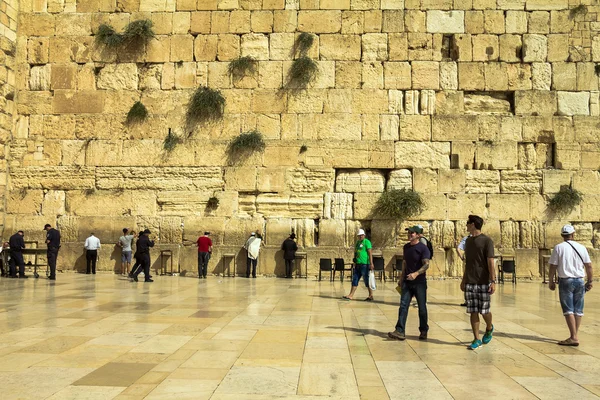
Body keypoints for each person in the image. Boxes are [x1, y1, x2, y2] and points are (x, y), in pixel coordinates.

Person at [548, 224, 593, 346]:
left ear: (562, 235)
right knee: (578, 310)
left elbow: (553, 265)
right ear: (573, 234)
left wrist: (550, 280)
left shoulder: (558, 248)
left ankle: (573, 336)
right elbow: (588, 266)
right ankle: (574, 335)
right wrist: (590, 281)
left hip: (566, 281)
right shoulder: (582, 247)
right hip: (579, 280)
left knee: (568, 310)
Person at [388, 226, 430, 341]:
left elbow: (426, 264)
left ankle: (423, 330)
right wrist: (401, 278)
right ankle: (400, 331)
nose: (410, 234)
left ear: (418, 235)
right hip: (407, 281)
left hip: (419, 282)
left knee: (422, 307)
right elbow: (405, 263)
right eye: (409, 232)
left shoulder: (423, 248)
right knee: (403, 306)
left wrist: (416, 274)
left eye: (412, 233)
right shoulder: (406, 247)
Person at [460, 215, 496, 350]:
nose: (466, 225)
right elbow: (468, 262)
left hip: (483, 281)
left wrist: (493, 281)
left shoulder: (487, 241)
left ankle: (489, 327)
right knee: (473, 311)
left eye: (467, 223)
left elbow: (490, 261)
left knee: (484, 311)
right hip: (470, 281)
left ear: (473, 224)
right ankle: (476, 338)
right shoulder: (468, 242)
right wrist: (464, 280)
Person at [343, 229, 374, 301]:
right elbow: (356, 252)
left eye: (362, 235)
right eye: (359, 235)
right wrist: (355, 261)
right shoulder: (357, 243)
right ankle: (351, 295)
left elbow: (370, 253)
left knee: (366, 280)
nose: (361, 236)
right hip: (358, 264)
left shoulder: (367, 242)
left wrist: (371, 263)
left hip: (365, 264)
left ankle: (371, 295)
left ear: (364, 235)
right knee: (355, 279)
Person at [457, 234, 471, 307]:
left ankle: (467, 300)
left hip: (468, 261)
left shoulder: (467, 238)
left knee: (467, 279)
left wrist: (462, 258)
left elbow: (458, 248)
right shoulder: (482, 238)